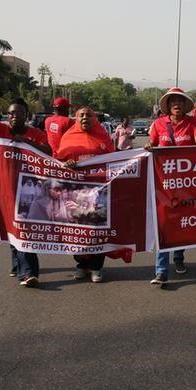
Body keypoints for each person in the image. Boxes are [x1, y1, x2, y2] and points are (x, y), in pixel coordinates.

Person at [0, 77, 51, 287]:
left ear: (27, 116)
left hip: (29, 190)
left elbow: (49, 152)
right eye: (11, 114)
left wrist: (27, 142)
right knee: (12, 227)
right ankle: (17, 263)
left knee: (23, 227)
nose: (14, 117)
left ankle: (28, 273)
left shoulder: (36, 133)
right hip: (5, 189)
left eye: (19, 113)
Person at [145, 87, 196, 286]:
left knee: (181, 224)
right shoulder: (158, 124)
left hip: (187, 185)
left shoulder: (192, 123)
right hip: (163, 185)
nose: (177, 105)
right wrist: (148, 147)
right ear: (168, 106)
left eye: (180, 101)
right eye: (173, 102)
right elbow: (151, 146)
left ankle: (179, 257)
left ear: (185, 105)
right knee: (163, 225)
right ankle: (161, 271)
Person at [57, 107, 115, 283]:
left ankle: (96, 267)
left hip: (98, 193)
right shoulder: (68, 137)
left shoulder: (103, 137)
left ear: (94, 119)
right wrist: (66, 164)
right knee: (76, 228)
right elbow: (58, 161)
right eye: (81, 115)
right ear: (76, 118)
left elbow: (113, 161)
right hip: (76, 193)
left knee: (97, 227)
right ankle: (81, 264)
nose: (85, 118)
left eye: (89, 115)